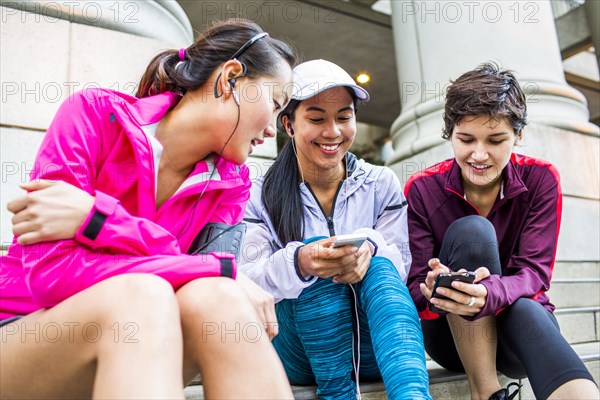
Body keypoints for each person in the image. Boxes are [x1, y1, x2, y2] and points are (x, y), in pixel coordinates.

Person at [0, 19, 296, 399]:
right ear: (230, 78)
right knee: (144, 293)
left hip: (140, 346)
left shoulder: (232, 184)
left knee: (218, 298)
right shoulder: (92, 114)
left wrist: (96, 220)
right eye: (274, 104)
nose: (274, 128)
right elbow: (51, 274)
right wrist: (210, 268)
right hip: (22, 332)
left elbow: (212, 282)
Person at [405, 62, 600, 400]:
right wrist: (435, 289)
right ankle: (487, 393)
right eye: (466, 139)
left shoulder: (541, 179)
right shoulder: (423, 189)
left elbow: (535, 274)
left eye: (496, 140)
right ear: (450, 133)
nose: (479, 155)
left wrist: (490, 294)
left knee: (525, 307)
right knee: (472, 232)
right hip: (451, 336)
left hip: (517, 335)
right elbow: (414, 288)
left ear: (518, 136)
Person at [239, 59, 431, 399]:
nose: (333, 132)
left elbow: (399, 268)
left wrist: (369, 249)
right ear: (289, 124)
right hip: (297, 352)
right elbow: (247, 280)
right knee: (314, 253)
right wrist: (300, 262)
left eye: (344, 117)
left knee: (380, 263)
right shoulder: (257, 193)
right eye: (316, 118)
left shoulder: (380, 182)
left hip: (373, 345)